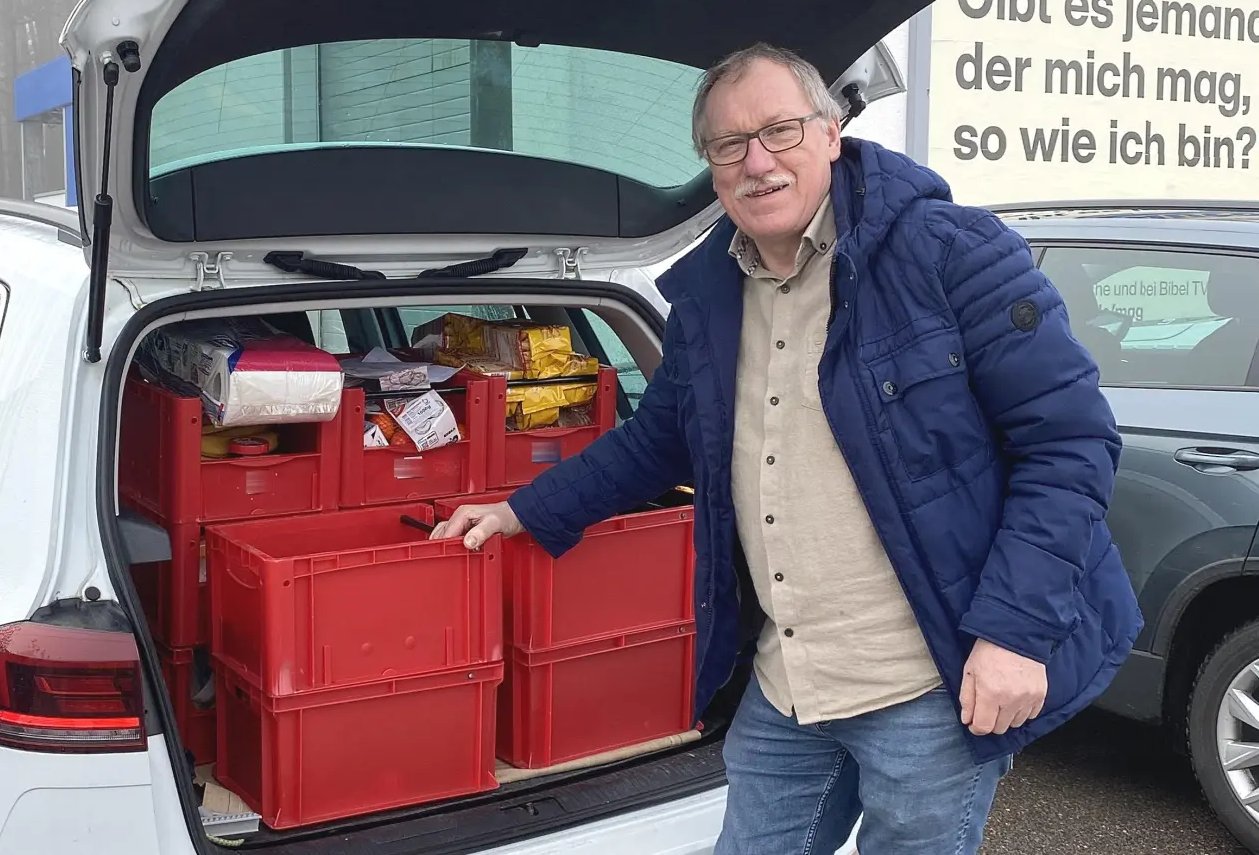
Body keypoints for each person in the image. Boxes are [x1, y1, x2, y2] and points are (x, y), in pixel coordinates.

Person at [432, 43, 1143, 854]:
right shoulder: (708, 298)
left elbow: (1069, 446)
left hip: (928, 683)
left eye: (779, 130)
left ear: (831, 133)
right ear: (709, 163)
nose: (757, 162)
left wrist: (1016, 635)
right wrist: (525, 509)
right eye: (730, 145)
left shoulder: (948, 255)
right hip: (788, 678)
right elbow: (660, 439)